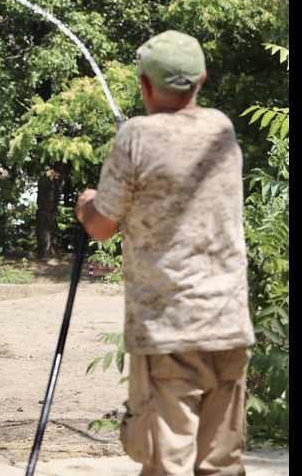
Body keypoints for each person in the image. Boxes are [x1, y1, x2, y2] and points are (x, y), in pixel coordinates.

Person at [74, 30, 256, 476]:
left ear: (144, 85)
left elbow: (101, 226)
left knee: (168, 465)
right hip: (229, 326)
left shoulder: (135, 135)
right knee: (221, 464)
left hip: (169, 331)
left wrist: (85, 203)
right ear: (202, 80)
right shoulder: (222, 129)